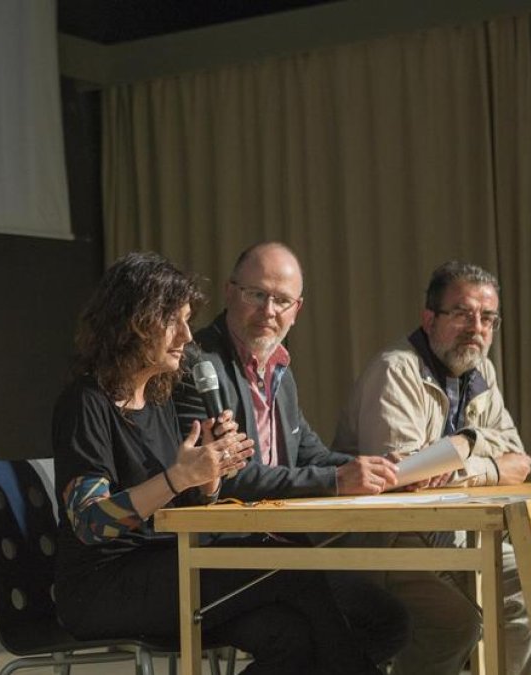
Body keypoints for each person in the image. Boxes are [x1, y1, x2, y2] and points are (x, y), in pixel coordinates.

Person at [53, 251, 405, 675]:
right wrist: (177, 477)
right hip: (106, 585)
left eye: (187, 319)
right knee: (290, 567)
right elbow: (92, 524)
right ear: (134, 321)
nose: (186, 335)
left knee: (289, 637)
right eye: (173, 321)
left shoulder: (161, 401)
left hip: (171, 563)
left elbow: (182, 512)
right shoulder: (86, 403)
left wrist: (208, 480)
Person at [333, 260, 531, 675]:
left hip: (455, 533)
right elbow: (405, 476)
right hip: (386, 540)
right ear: (429, 319)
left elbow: (517, 459)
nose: (476, 327)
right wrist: (478, 456)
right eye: (461, 313)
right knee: (454, 623)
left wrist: (465, 449)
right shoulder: (396, 369)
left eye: (487, 317)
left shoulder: (482, 372)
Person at [173, 242, 402, 499]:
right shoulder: (197, 363)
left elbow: (310, 456)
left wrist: (389, 472)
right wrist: (334, 480)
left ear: (296, 310)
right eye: (256, 295)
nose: (268, 311)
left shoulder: (279, 369)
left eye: (282, 301)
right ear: (229, 292)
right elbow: (225, 476)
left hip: (281, 527)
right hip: (232, 533)